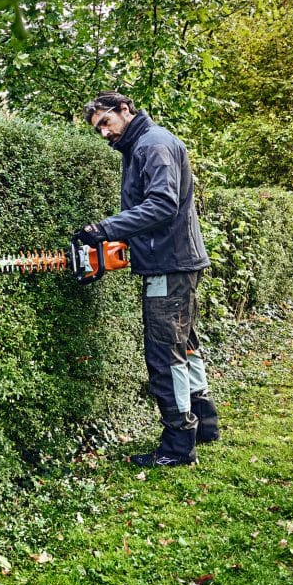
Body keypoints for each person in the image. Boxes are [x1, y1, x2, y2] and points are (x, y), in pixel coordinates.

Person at [77, 91, 219, 467]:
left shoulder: (151, 144)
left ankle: (177, 445)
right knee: (185, 345)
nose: (103, 132)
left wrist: (104, 229)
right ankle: (204, 423)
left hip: (167, 264)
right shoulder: (143, 144)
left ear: (125, 110)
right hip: (176, 259)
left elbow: (162, 204)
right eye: (97, 128)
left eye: (105, 122)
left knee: (164, 353)